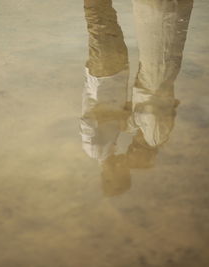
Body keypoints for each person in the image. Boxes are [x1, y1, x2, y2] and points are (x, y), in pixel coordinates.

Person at [80, 0, 193, 196]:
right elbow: (146, 112)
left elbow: (93, 117)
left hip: (105, 75)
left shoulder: (97, 149)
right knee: (107, 19)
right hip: (123, 74)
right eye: (128, 170)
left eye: (123, 172)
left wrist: (122, 120)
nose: (127, 160)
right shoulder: (146, 138)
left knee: (100, 18)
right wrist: (124, 120)